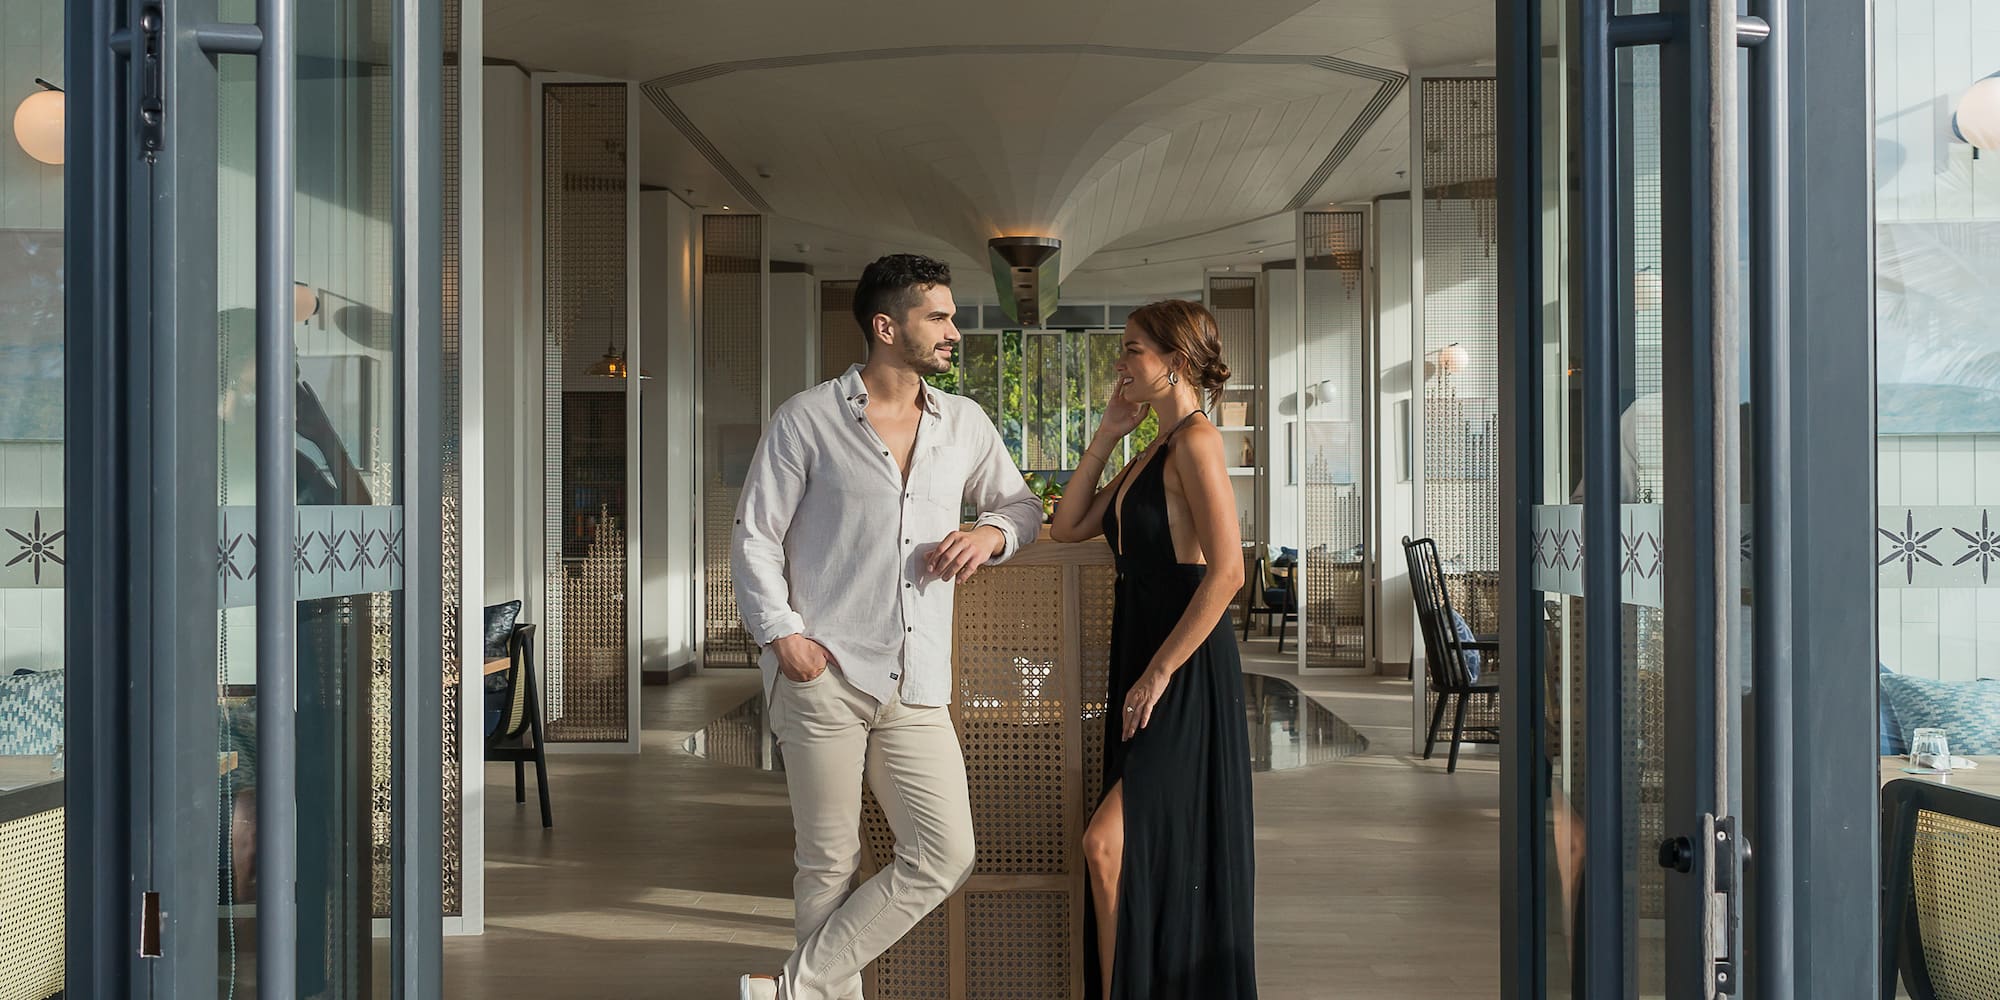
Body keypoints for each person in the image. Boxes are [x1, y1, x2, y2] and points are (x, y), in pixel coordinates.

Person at [730, 253, 1043, 1000]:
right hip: (824, 672)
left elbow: (1022, 506)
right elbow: (753, 536)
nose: (953, 332)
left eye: (951, 317)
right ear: (885, 325)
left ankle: (786, 990)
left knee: (944, 851)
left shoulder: (962, 423)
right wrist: (786, 639)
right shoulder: (806, 420)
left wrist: (990, 535)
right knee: (828, 863)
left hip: (917, 678)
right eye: (938, 316)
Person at [1048, 299, 1258, 999]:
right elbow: (1069, 524)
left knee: (1106, 845)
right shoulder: (1155, 449)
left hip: (1182, 671)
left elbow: (1229, 571)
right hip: (1146, 659)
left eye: (1133, 349)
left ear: (1173, 361)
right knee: (1124, 853)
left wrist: (1159, 672)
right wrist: (1108, 432)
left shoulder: (1199, 441)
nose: (1121, 362)